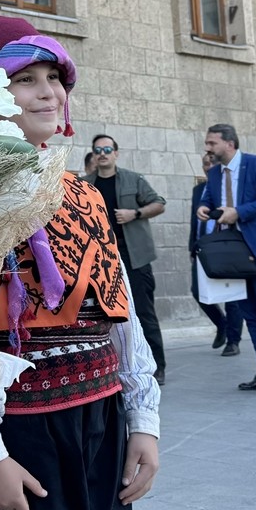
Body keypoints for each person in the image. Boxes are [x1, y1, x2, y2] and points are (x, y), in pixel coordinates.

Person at [0, 15, 160, 510]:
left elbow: (117, 308)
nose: (49, 93)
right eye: (25, 79)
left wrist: (143, 418)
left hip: (101, 418)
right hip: (16, 430)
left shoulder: (81, 193)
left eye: (54, 78)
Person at [197, 124, 256, 396]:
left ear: (229, 143)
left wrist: (238, 212)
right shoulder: (215, 173)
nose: (208, 148)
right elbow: (208, 197)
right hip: (235, 252)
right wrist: (203, 208)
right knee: (250, 313)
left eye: (212, 143)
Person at [82, 135, 168, 385]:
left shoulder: (133, 179)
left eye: (107, 149)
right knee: (105, 314)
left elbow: (159, 203)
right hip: (100, 260)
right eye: (98, 150)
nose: (102, 153)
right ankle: (114, 367)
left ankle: (158, 366)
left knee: (144, 312)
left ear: (116, 153)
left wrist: (135, 213)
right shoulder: (85, 184)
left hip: (134, 256)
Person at [189, 151, 243, 356]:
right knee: (197, 291)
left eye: (213, 162)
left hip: (228, 245)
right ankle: (222, 324)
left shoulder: (229, 186)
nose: (209, 166)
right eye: (205, 163)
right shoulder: (198, 190)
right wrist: (191, 247)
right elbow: (193, 221)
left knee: (232, 295)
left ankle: (233, 341)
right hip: (203, 246)